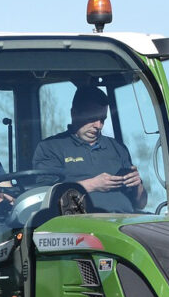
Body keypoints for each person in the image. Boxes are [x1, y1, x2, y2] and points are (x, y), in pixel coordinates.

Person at [32, 84, 146, 212]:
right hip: (78, 225)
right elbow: (45, 198)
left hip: (124, 221)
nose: (99, 125)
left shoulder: (117, 147)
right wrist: (93, 185)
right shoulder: (51, 147)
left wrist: (138, 185)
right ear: (74, 113)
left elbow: (141, 203)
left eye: (102, 119)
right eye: (92, 118)